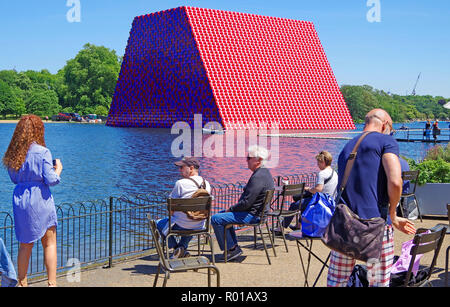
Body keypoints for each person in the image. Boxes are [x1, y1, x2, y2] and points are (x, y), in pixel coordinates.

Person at [327, 109, 416, 287]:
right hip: (377, 224)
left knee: (337, 282)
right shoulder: (386, 141)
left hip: (345, 224)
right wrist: (393, 213)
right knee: (378, 281)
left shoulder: (348, 145)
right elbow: (396, 181)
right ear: (385, 125)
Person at [2, 115, 63, 287]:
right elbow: (51, 180)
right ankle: (52, 283)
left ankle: (22, 283)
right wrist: (58, 169)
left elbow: (14, 178)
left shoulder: (14, 154)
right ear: (38, 130)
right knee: (49, 242)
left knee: (25, 244)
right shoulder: (43, 151)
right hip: (40, 199)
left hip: (21, 199)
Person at [211, 145, 274, 262]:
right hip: (257, 213)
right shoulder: (265, 173)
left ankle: (231, 249)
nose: (246, 160)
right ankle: (233, 247)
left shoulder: (258, 177)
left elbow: (246, 203)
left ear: (259, 160)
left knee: (215, 218)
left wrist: (230, 209)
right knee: (220, 215)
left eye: (249, 158)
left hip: (252, 215)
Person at [156, 157, 211, 259]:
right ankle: (182, 249)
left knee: (157, 224)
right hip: (199, 224)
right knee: (190, 221)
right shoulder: (207, 184)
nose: (179, 170)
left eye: (182, 167)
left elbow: (171, 208)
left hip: (182, 225)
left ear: (191, 168)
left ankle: (177, 248)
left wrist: (175, 215)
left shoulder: (181, 184)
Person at [276, 150, 338, 232]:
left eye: (318, 163)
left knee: (294, 205)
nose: (317, 165)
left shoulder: (322, 173)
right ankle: (298, 225)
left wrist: (309, 189)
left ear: (323, 162)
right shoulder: (334, 173)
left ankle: (281, 228)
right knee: (303, 203)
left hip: (321, 202)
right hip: (330, 201)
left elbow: (318, 189)